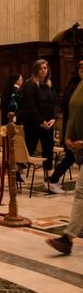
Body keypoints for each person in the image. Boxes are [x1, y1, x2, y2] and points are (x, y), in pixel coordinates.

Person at [45, 75, 83, 255]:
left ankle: (67, 238)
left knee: (81, 193)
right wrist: (68, 137)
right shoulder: (79, 86)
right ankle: (67, 238)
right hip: (78, 146)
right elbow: (72, 113)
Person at [19, 59, 61, 194]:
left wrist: (54, 118)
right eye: (41, 68)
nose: (44, 70)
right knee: (29, 149)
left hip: (49, 124)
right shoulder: (30, 85)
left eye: (46, 68)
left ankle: (49, 181)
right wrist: (41, 121)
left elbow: (55, 103)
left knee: (48, 152)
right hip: (34, 124)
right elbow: (30, 106)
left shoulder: (49, 85)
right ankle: (16, 172)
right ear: (36, 70)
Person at [47, 60, 83, 185]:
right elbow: (69, 109)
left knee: (70, 158)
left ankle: (53, 179)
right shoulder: (74, 85)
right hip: (72, 128)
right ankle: (53, 179)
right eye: (81, 67)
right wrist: (68, 135)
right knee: (70, 157)